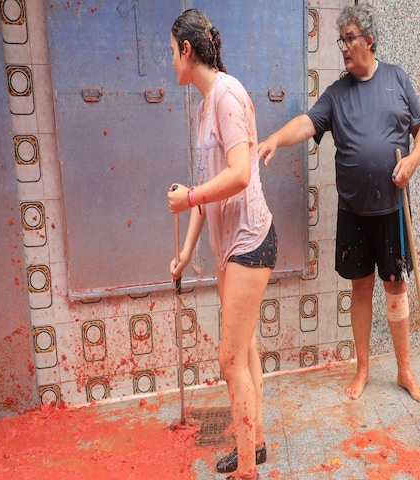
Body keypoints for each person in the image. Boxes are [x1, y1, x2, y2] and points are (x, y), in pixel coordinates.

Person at [258, 2, 420, 403]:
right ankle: (364, 369)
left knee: (395, 286)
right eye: (342, 39)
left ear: (370, 40)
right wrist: (275, 140)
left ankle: (405, 370)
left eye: (350, 38)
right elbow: (307, 123)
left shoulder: (396, 79)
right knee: (360, 288)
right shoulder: (337, 93)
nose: (344, 47)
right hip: (354, 210)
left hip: (391, 207)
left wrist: (412, 160)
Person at [168, 9, 276, 480]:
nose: (170, 61)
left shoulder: (227, 95)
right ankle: (255, 445)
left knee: (229, 358)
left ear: (187, 51)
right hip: (230, 246)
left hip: (250, 240)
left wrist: (190, 196)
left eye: (171, 52)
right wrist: (188, 251)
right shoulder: (204, 106)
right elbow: (205, 188)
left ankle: (247, 470)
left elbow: (239, 174)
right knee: (245, 349)